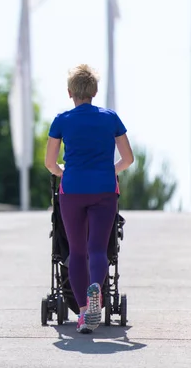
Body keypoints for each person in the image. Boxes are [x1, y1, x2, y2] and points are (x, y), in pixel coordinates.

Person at [44, 64, 134, 334]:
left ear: (70, 92)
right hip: (105, 189)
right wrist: (109, 170)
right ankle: (98, 294)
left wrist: (64, 172)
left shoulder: (62, 120)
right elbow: (128, 159)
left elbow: (50, 163)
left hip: (72, 190)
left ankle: (84, 311)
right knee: (97, 249)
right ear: (95, 91)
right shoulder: (110, 118)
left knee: (77, 252)